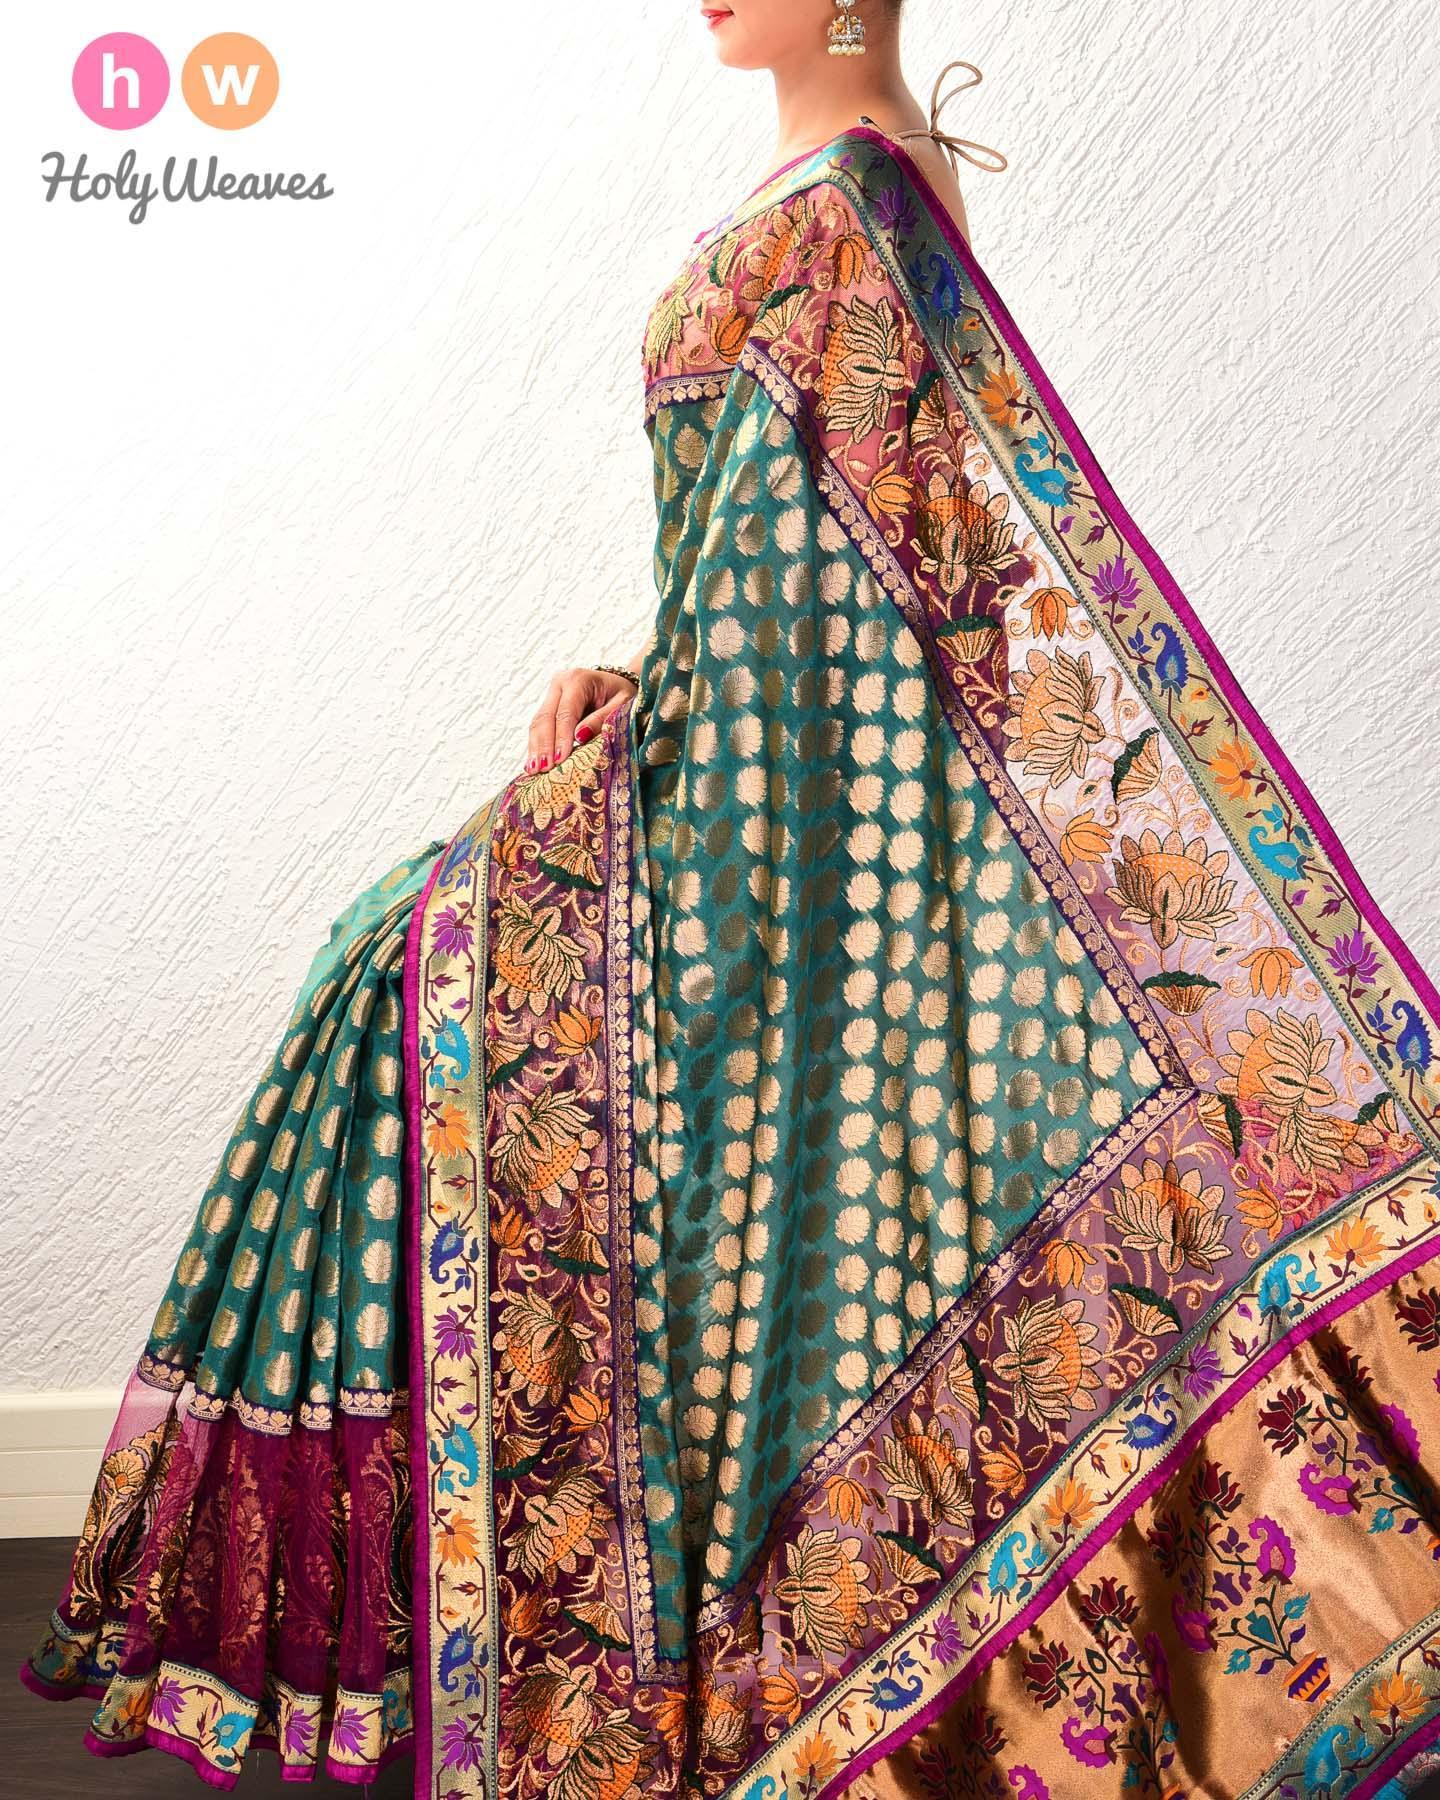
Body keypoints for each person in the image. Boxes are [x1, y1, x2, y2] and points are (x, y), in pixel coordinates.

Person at [21, 2, 1440, 1795]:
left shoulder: (856, 196)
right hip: (719, 757)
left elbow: (894, 603)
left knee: (395, 977)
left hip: (767, 818)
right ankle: (438, 1651)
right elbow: (770, 572)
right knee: (378, 977)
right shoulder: (840, 186)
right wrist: (637, 675)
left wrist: (674, 733)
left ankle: (535, 1655)